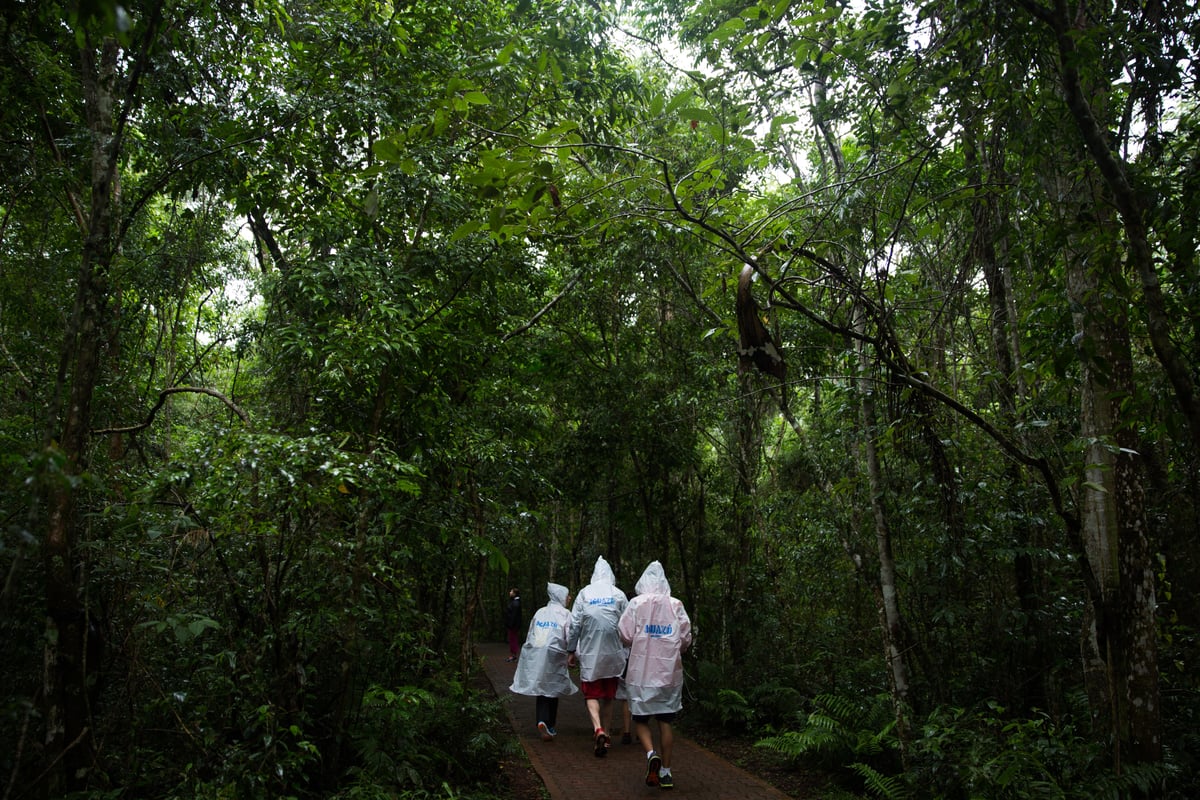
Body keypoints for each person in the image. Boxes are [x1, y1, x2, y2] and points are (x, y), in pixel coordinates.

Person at [618, 560, 692, 790]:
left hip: (642, 674)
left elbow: (624, 633)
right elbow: (686, 637)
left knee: (640, 718)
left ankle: (651, 754)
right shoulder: (676, 605)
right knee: (665, 721)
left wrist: (640, 642)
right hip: (668, 674)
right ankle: (667, 772)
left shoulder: (636, 604)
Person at [566, 555, 628, 757]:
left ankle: (598, 728)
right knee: (609, 696)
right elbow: (628, 623)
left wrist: (570, 650)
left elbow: (574, 624)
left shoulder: (584, 593)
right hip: (613, 654)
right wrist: (629, 651)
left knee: (591, 694)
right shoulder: (618, 594)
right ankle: (607, 734)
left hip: (591, 653)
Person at [509, 582, 578, 740]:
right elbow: (570, 635)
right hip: (555, 655)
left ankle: (541, 720)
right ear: (560, 596)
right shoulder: (565, 614)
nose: (569, 598)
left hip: (538, 652)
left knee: (541, 686)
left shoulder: (540, 612)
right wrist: (574, 653)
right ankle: (550, 724)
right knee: (553, 687)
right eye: (567, 595)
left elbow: (531, 633)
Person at [504, 587, 522, 662]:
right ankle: (512, 655)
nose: (510, 592)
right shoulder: (515, 602)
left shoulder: (516, 603)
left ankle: (513, 656)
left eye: (511, 591)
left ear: (514, 593)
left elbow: (514, 616)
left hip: (513, 626)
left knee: (513, 640)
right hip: (513, 625)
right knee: (512, 639)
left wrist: (511, 625)